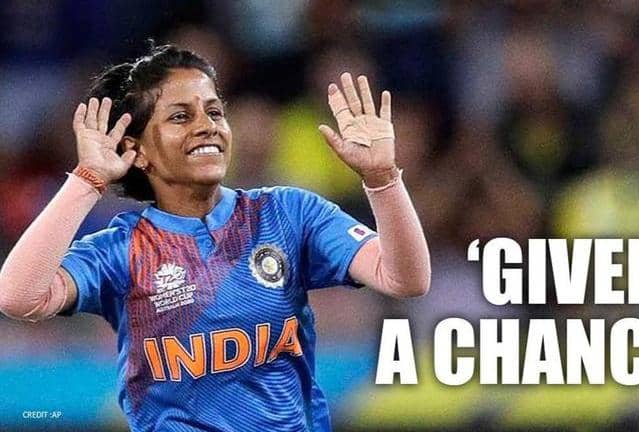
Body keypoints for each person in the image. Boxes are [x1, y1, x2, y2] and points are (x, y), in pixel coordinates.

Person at [0, 44, 430, 431]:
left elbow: (404, 279)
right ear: (137, 151)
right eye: (180, 116)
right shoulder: (122, 249)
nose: (207, 126)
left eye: (214, 112)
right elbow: (18, 297)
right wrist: (87, 179)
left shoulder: (288, 213)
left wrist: (382, 179)